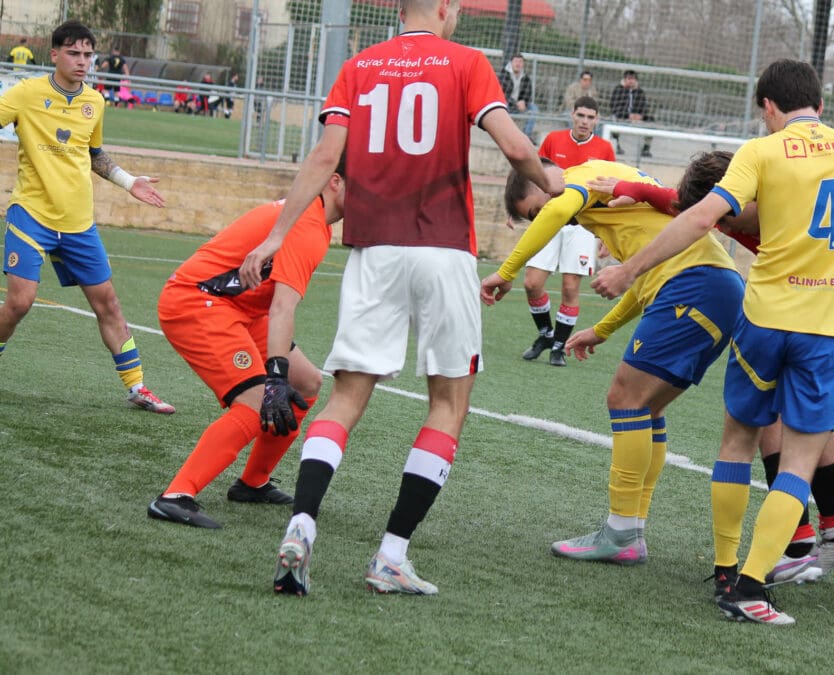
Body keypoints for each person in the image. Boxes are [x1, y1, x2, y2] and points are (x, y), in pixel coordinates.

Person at [592, 58, 834, 625]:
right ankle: (751, 585)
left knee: (739, 440)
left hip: (765, 319)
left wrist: (630, 271)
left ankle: (728, 567)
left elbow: (702, 216)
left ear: (769, 107)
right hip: (827, 331)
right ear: (819, 104)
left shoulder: (761, 151)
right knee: (798, 458)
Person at [239, 0, 560, 597]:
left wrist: (279, 233)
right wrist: (552, 182)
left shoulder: (359, 65)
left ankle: (302, 525)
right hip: (443, 251)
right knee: (448, 402)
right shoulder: (466, 62)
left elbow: (324, 157)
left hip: (373, 253)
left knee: (345, 396)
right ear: (443, 8)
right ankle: (390, 555)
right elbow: (516, 148)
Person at [482, 157, 744, 565]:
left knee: (624, 399)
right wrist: (601, 330)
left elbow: (556, 208)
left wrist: (506, 271)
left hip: (694, 285)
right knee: (647, 409)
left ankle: (621, 533)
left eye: (532, 213)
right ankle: (630, 531)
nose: (549, 223)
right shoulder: (612, 191)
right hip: (717, 286)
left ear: (539, 183)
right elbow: (646, 280)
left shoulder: (579, 179)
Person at [147, 158, 347, 529]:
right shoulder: (308, 226)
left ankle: (252, 483)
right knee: (256, 403)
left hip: (242, 309)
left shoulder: (312, 219)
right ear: (334, 182)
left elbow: (274, 306)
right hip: (198, 303)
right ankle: (175, 495)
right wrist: (273, 378)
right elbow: (283, 306)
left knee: (305, 383)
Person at [0, 20, 173, 414]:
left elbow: (93, 153)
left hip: (78, 224)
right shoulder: (26, 94)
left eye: (87, 54)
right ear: (55, 54)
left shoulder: (95, 101)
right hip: (31, 216)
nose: (82, 61)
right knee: (20, 302)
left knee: (108, 304)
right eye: (74, 53)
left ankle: (138, 387)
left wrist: (130, 182)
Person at [519, 96, 615, 366]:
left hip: (583, 225)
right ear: (572, 115)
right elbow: (536, 174)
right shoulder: (553, 140)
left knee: (570, 286)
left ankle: (558, 347)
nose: (585, 121)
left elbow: (609, 191)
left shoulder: (605, 148)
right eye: (581, 115)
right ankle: (546, 334)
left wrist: (606, 233)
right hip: (550, 219)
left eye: (590, 117)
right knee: (531, 283)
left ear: (596, 120)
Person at [609, 69, 652, 158]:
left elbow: (644, 106)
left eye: (633, 79)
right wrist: (628, 115)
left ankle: (646, 148)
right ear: (625, 79)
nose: (631, 81)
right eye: (629, 78)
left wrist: (640, 116)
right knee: (612, 120)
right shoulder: (618, 90)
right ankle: (616, 145)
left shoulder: (640, 92)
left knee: (651, 120)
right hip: (622, 116)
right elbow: (614, 107)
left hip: (636, 118)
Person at [499, 53, 538, 142]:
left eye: (520, 61)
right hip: (508, 103)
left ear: (523, 64)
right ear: (511, 63)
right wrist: (515, 103)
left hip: (519, 104)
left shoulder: (526, 78)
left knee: (534, 108)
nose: (518, 64)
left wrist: (524, 102)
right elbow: (502, 94)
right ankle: (505, 135)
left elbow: (528, 93)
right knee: (504, 105)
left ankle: (526, 135)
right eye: (516, 61)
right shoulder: (504, 75)